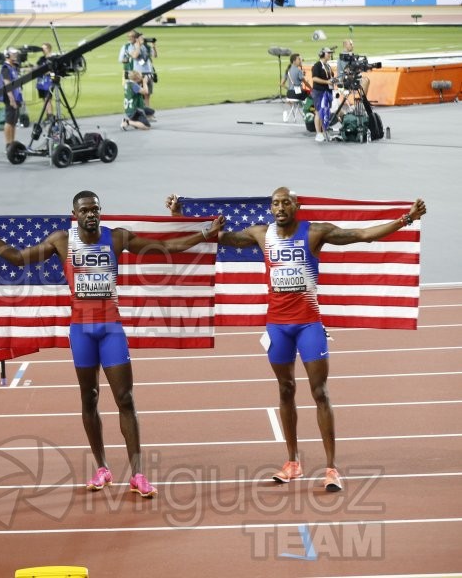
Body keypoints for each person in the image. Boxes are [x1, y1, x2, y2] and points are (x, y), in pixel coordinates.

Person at [0, 192, 223, 498]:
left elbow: (165, 248)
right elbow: (19, 258)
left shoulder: (116, 238)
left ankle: (138, 474)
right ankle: (102, 468)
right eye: (85, 210)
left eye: (95, 209)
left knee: (124, 398)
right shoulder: (62, 240)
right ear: (74, 213)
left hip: (110, 327)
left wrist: (206, 233)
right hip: (81, 331)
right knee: (90, 397)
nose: (91, 214)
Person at [167, 188, 427, 492]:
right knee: (286, 389)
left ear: (296, 205)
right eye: (275, 203)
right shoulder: (261, 233)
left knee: (320, 392)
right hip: (278, 327)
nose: (280, 208)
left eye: (285, 203)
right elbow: (220, 237)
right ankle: (292, 462)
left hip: (308, 325)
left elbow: (361, 234)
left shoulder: (315, 233)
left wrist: (405, 219)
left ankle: (331, 468)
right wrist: (179, 216)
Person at [0, 48, 24, 151]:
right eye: (13, 54)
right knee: (9, 121)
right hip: (9, 97)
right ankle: (8, 144)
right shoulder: (5, 68)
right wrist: (12, 99)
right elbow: (7, 84)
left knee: (14, 121)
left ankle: (13, 143)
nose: (15, 56)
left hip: (15, 96)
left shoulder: (13, 67)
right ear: (7, 56)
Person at [310, 47, 337, 143]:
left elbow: (330, 78)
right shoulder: (317, 65)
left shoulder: (328, 66)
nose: (330, 54)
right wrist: (326, 82)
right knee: (318, 112)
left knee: (326, 112)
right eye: (328, 53)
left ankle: (324, 130)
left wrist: (334, 80)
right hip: (319, 91)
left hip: (327, 91)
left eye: (330, 53)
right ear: (322, 54)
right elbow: (314, 78)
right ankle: (318, 133)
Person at [34, 42, 55, 123]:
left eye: (44, 48)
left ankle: (50, 116)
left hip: (48, 82)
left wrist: (51, 76)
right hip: (41, 82)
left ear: (49, 49)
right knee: (44, 99)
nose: (42, 50)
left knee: (48, 99)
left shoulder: (52, 58)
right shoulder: (41, 59)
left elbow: (52, 71)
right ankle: (48, 115)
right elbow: (37, 67)